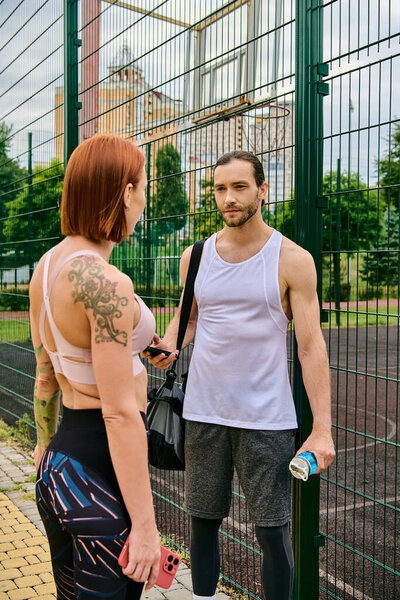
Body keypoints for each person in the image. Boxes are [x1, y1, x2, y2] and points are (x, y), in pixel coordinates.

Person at [144, 150, 336, 600]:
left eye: (239, 187)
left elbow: (311, 347)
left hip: (266, 421)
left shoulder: (291, 259)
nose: (228, 198)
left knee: (272, 534)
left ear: (262, 191)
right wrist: (169, 347)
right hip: (203, 414)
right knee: (202, 525)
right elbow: (188, 320)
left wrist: (323, 430)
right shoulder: (196, 256)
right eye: (219, 188)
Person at [29, 134, 162, 599]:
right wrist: (145, 528)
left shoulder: (45, 268)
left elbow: (46, 377)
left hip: (60, 465)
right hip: (98, 472)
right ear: (125, 192)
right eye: (143, 187)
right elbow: (119, 412)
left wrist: (44, 445)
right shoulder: (105, 282)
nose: (145, 199)